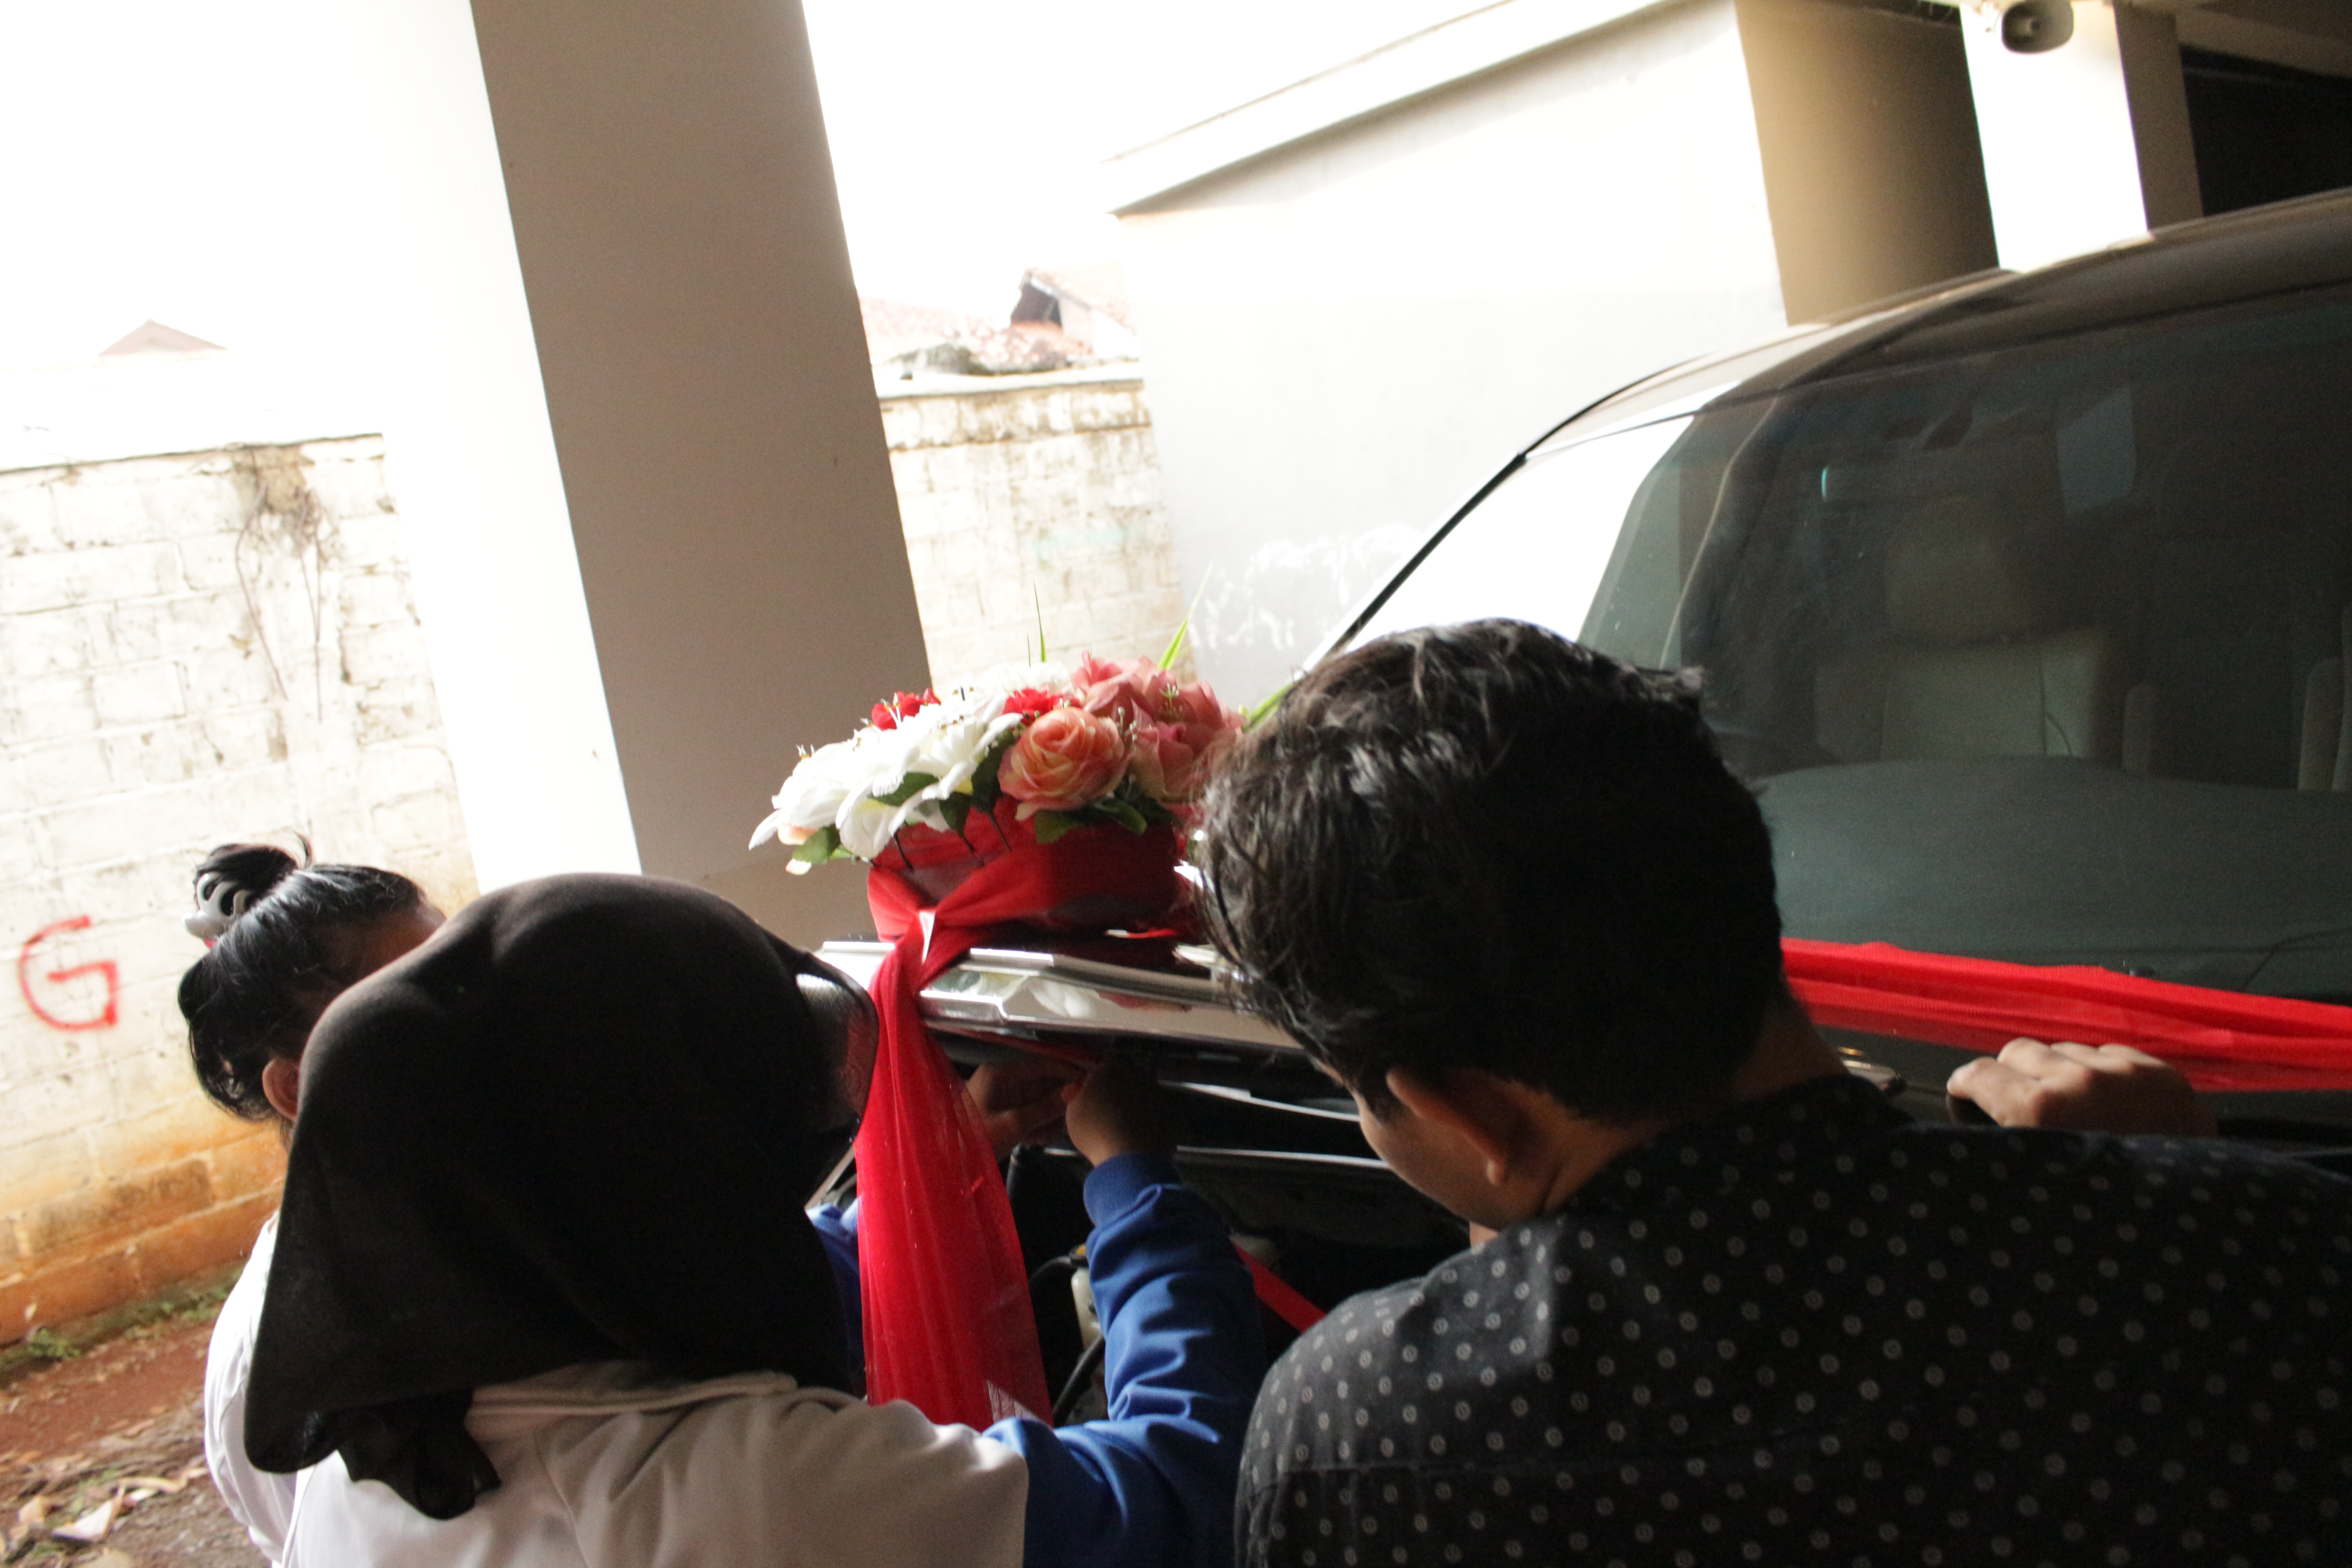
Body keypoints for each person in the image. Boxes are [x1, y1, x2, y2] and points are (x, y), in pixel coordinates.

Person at [1198, 619, 2352, 1567]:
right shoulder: (2262, 1255)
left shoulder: (1356, 1438)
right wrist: (2172, 1182)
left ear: (1462, 1110)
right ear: (1738, 878)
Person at [239, 871, 1261, 1568]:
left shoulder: (387, 1445)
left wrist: (946, 1160)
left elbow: (732, 1284)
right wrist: (1136, 1186)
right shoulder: (744, 1492)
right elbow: (1186, 1488)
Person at [180, 844, 447, 1563]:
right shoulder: (267, 1364)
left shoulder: (518, 1212)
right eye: (421, 1009)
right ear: (299, 1086)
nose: (475, 1025)